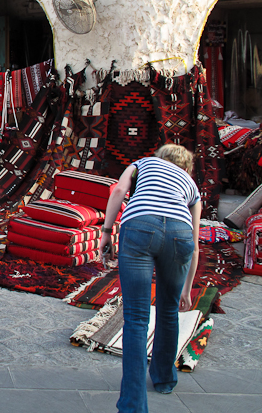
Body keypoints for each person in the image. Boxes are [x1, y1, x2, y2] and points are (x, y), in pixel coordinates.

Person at [99, 143, 202, 413]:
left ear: (161, 157)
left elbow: (119, 191)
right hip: (180, 236)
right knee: (169, 310)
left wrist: (107, 231)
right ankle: (165, 379)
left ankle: (133, 405)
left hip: (140, 228)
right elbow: (196, 242)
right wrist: (187, 289)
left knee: (136, 317)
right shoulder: (191, 185)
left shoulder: (144, 163)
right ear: (186, 166)